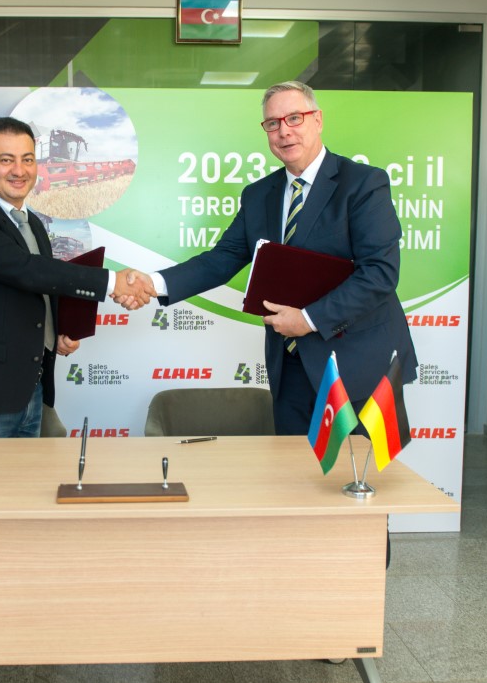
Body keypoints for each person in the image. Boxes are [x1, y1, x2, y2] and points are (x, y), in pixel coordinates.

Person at [126, 81, 416, 435]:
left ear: (318, 120)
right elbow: (222, 259)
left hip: (360, 368)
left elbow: (380, 273)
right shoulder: (259, 195)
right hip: (290, 369)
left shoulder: (363, 183)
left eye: (294, 118)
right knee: (292, 469)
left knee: (359, 469)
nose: (284, 131)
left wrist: (308, 319)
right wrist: (152, 283)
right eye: (273, 123)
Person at [0, 116, 150, 438]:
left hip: (30, 392)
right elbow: (25, 270)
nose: (19, 170)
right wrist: (112, 282)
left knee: (25, 475)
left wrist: (56, 332)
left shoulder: (31, 223)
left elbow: (38, 290)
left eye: (27, 159)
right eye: (6, 160)